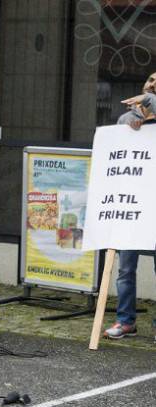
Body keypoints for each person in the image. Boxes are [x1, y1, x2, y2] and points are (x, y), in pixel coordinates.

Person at [104, 70, 156, 341]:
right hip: (133, 205)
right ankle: (126, 321)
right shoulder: (129, 118)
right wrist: (136, 116)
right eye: (150, 80)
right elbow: (119, 135)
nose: (152, 84)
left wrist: (148, 103)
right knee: (126, 268)